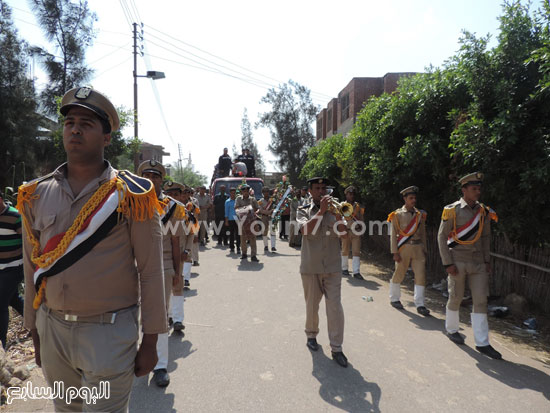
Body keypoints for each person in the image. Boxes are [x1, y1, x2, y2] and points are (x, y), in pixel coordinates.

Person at [19, 87, 166, 412]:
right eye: (70, 122)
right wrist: (34, 329)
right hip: (53, 328)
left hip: (109, 333)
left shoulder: (132, 196)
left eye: (86, 123)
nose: (75, 129)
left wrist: (152, 340)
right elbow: (33, 268)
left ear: (106, 137)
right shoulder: (36, 195)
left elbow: (152, 271)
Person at [437, 172, 501, 359]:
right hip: (457, 260)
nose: (478, 192)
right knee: (456, 296)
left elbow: (486, 236)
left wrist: (487, 260)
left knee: (481, 300)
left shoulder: (484, 212)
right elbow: (442, 237)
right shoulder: (452, 210)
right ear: (464, 190)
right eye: (474, 189)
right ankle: (452, 329)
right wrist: (447, 263)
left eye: (479, 188)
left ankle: (482, 342)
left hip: (478, 262)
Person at [138, 160, 185, 387]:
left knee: (159, 316)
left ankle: (160, 365)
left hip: (164, 264)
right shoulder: (129, 202)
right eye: (146, 175)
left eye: (155, 176)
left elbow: (176, 242)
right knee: (133, 315)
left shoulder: (172, 207)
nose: (151, 179)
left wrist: (177, 271)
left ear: (161, 180)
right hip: (135, 267)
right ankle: (136, 358)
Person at [297, 177, 348, 368]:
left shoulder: (336, 210)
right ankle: (311, 334)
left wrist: (339, 217)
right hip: (311, 267)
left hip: (333, 268)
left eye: (323, 188)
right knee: (312, 305)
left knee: (335, 307)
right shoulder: (303, 210)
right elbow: (305, 230)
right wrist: (321, 212)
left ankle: (337, 348)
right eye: (317, 188)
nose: (321, 191)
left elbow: (344, 235)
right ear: (310, 191)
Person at [387, 186, 430, 316]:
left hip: (418, 248)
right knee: (399, 273)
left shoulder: (420, 215)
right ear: (405, 199)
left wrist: (425, 249)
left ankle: (420, 304)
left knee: (421, 276)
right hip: (403, 248)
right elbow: (393, 233)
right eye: (411, 198)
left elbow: (422, 233)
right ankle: (394, 298)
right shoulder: (397, 214)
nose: (413, 200)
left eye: (415, 198)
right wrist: (395, 252)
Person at [163, 181, 191, 332]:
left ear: (182, 196)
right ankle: (170, 316)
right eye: (170, 194)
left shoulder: (188, 213)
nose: (173, 197)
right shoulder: (162, 212)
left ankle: (178, 319)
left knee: (178, 285)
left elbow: (192, 233)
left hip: (180, 253)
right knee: (167, 287)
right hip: (167, 254)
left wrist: (187, 250)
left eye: (176, 194)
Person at [0, 194, 24, 349]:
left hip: (14, 267)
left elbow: (29, 242)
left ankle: (1, 344)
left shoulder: (15, 216)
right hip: (1, 268)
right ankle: (38, 324)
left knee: (0, 302)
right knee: (13, 299)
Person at [340, 186, 365, 279]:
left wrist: (362, 229)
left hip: (356, 231)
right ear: (346, 194)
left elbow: (362, 218)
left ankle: (356, 271)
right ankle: (344, 268)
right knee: (345, 250)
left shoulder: (358, 206)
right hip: (346, 231)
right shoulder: (342, 205)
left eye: (353, 194)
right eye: (350, 194)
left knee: (356, 251)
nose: (352, 196)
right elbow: (339, 218)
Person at [180, 186, 201, 287]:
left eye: (186, 192)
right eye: (182, 193)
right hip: (176, 232)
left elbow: (196, 218)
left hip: (189, 231)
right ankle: (180, 276)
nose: (184, 195)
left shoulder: (193, 205)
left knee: (188, 255)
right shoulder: (175, 203)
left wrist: (195, 232)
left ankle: (186, 279)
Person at [235, 185, 260, 262]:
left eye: (247, 191)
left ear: (249, 191)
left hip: (252, 221)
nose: (245, 193)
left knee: (253, 238)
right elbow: (236, 209)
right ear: (242, 192)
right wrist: (245, 209)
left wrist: (256, 212)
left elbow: (258, 208)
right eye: (244, 191)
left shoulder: (252, 199)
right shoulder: (238, 199)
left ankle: (253, 255)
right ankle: (244, 254)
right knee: (243, 239)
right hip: (243, 221)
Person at [258, 187, 276, 252]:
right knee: (264, 231)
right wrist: (268, 212)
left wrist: (273, 211)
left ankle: (273, 246)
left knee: (273, 231)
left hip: (272, 217)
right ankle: (266, 246)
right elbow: (260, 210)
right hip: (264, 217)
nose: (266, 193)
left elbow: (276, 207)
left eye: (267, 191)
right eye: (264, 192)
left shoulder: (272, 200)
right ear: (262, 193)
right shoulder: (260, 201)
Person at [225, 188, 240, 254]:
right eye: (232, 193)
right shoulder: (227, 201)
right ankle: (232, 247)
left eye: (234, 193)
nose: (233, 194)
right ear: (230, 193)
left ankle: (238, 247)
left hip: (238, 219)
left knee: (238, 234)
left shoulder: (238, 201)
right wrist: (226, 220)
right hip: (230, 219)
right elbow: (226, 212)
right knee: (231, 234)